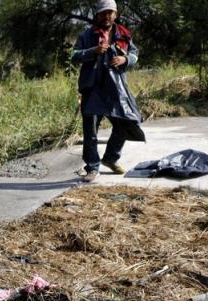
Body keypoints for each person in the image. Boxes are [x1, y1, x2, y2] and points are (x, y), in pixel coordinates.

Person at [72, 0, 142, 183]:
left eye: (110, 12)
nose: (107, 16)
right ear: (98, 15)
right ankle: (92, 167)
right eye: (103, 13)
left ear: (116, 15)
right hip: (92, 89)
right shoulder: (87, 35)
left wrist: (125, 59)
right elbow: (73, 55)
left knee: (125, 124)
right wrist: (92, 51)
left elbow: (135, 53)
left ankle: (110, 158)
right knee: (91, 131)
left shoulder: (124, 35)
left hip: (116, 90)